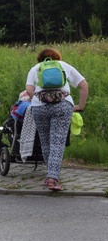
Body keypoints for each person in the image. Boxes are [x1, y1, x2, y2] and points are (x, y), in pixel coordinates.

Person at [25, 48, 88, 191]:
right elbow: (84, 85)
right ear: (57, 57)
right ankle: (52, 179)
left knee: (45, 142)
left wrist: (37, 99)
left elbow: (29, 89)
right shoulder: (64, 66)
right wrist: (80, 106)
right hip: (63, 105)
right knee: (57, 142)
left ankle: (50, 176)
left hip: (39, 108)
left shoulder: (35, 68)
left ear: (40, 59)